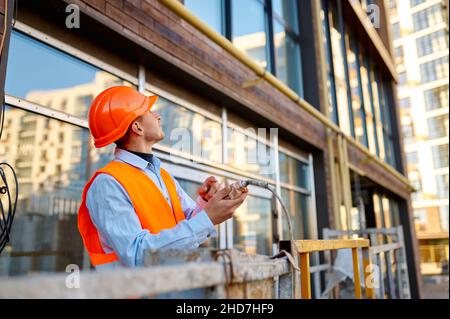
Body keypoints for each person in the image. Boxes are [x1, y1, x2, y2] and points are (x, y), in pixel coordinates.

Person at [78, 86, 248, 269]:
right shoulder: (107, 184)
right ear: (137, 127)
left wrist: (207, 203)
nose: (157, 116)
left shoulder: (161, 176)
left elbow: (188, 227)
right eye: (149, 111)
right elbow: (137, 255)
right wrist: (208, 218)